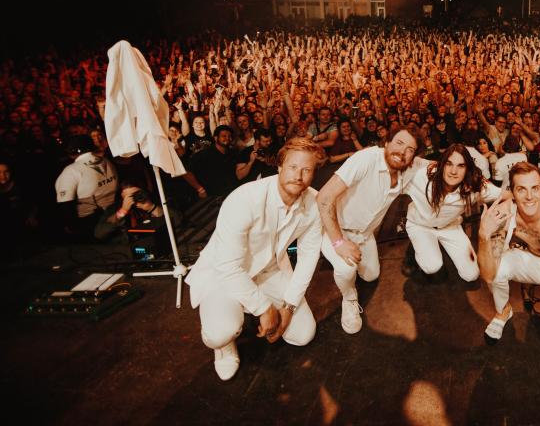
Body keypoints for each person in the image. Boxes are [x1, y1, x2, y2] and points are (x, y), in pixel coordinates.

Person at [185, 137, 325, 381]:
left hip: (268, 270)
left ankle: (250, 308)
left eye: (307, 169)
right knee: (221, 331)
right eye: (293, 167)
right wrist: (263, 308)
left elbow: (308, 256)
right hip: (224, 275)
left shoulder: (314, 202)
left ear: (314, 173)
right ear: (280, 166)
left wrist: (289, 305)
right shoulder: (244, 198)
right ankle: (225, 345)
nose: (298, 176)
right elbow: (228, 266)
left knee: (303, 334)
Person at [315, 127, 422, 334]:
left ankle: (346, 262)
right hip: (335, 228)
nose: (402, 151)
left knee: (371, 276)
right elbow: (324, 198)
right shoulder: (366, 159)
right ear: (387, 142)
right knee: (347, 269)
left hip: (364, 235)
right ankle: (349, 298)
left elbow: (434, 166)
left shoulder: (408, 169)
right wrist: (339, 243)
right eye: (399, 143)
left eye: (410, 149)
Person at [477, 162, 540, 343]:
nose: (529, 197)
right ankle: (503, 311)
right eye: (521, 190)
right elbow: (488, 276)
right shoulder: (502, 214)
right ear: (512, 192)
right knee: (495, 270)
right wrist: (483, 236)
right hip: (526, 259)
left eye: (534, 188)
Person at [405, 144, 502, 281]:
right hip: (420, 225)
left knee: (471, 275)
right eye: (449, 164)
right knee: (432, 266)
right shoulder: (421, 177)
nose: (453, 171)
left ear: (467, 169)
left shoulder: (474, 185)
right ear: (442, 164)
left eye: (461, 166)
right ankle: (415, 251)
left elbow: (503, 194)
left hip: (449, 227)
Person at [55, 134, 119, 240]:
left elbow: (65, 204)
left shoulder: (72, 171)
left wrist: (72, 227)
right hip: (113, 214)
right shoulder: (106, 161)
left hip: (89, 223)